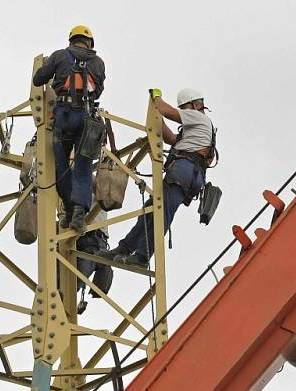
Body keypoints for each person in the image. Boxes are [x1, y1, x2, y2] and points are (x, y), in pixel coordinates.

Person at [99, 88, 216, 268]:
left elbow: (167, 111)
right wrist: (156, 119)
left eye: (186, 107)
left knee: (161, 213)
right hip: (187, 173)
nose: (186, 111)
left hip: (185, 172)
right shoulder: (194, 132)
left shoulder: (198, 117)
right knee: (150, 210)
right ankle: (124, 248)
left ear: (194, 105)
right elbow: (171, 138)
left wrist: (156, 98)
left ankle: (143, 256)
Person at [32, 25, 106, 234]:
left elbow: (39, 79)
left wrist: (49, 67)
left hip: (64, 116)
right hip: (87, 119)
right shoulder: (98, 62)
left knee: (61, 166)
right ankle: (79, 215)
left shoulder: (60, 55)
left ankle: (69, 207)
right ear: (89, 42)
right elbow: (98, 90)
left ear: (71, 40)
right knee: (83, 166)